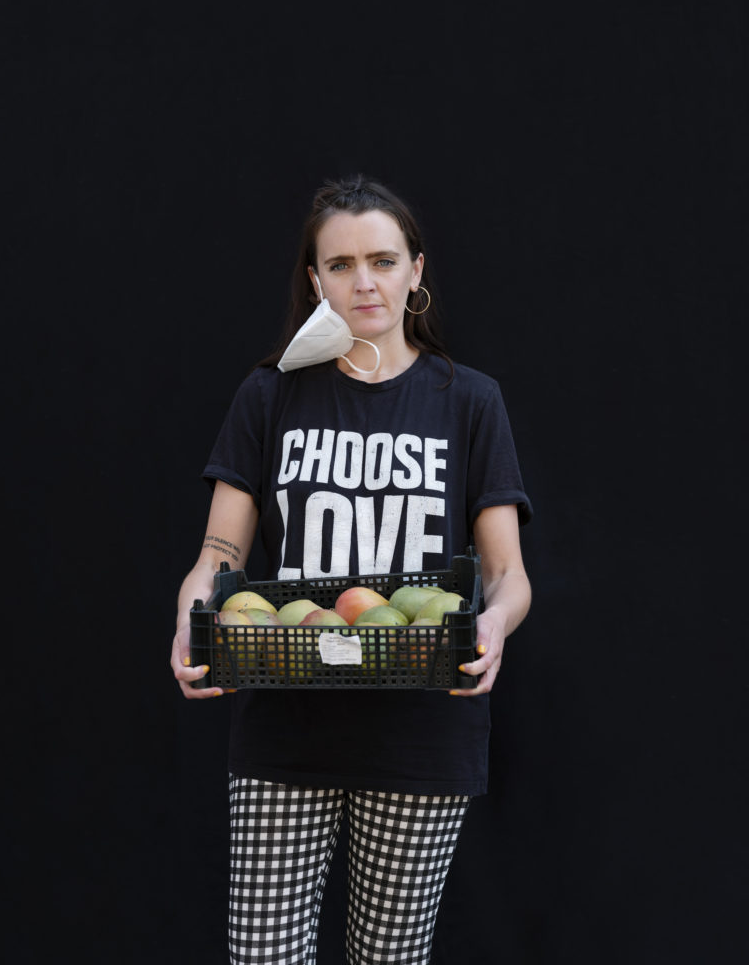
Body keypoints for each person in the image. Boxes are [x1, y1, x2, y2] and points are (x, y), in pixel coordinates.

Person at [171, 175, 533, 965]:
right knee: (263, 953)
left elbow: (508, 573)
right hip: (285, 729)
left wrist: (495, 622)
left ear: (415, 270)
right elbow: (219, 555)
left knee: (389, 957)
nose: (363, 282)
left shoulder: (470, 401)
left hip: (422, 736)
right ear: (315, 281)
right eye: (340, 265)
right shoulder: (269, 396)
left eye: (382, 260)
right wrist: (190, 619)